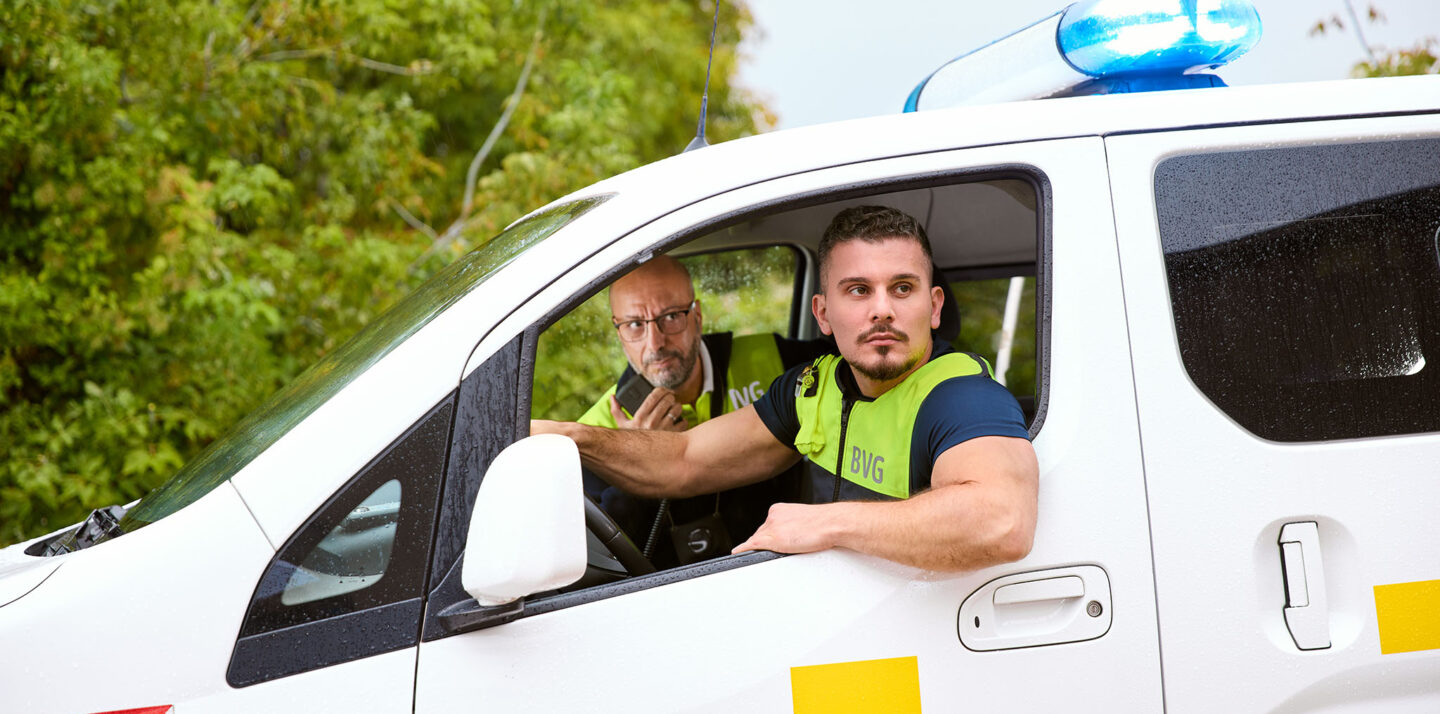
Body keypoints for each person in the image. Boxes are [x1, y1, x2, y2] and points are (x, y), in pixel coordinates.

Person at [536, 206, 1038, 571]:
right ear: (823, 313)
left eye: (901, 288)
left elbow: (1001, 520)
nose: (882, 308)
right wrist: (573, 437)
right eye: (859, 290)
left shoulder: (960, 396)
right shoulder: (811, 388)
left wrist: (827, 524)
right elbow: (685, 459)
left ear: (933, 307)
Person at [575, 255, 829, 567]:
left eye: (670, 317)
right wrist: (637, 457)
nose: (655, 342)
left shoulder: (771, 361)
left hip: (787, 566)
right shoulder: (596, 430)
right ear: (619, 334)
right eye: (635, 325)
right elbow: (598, 561)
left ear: (697, 316)